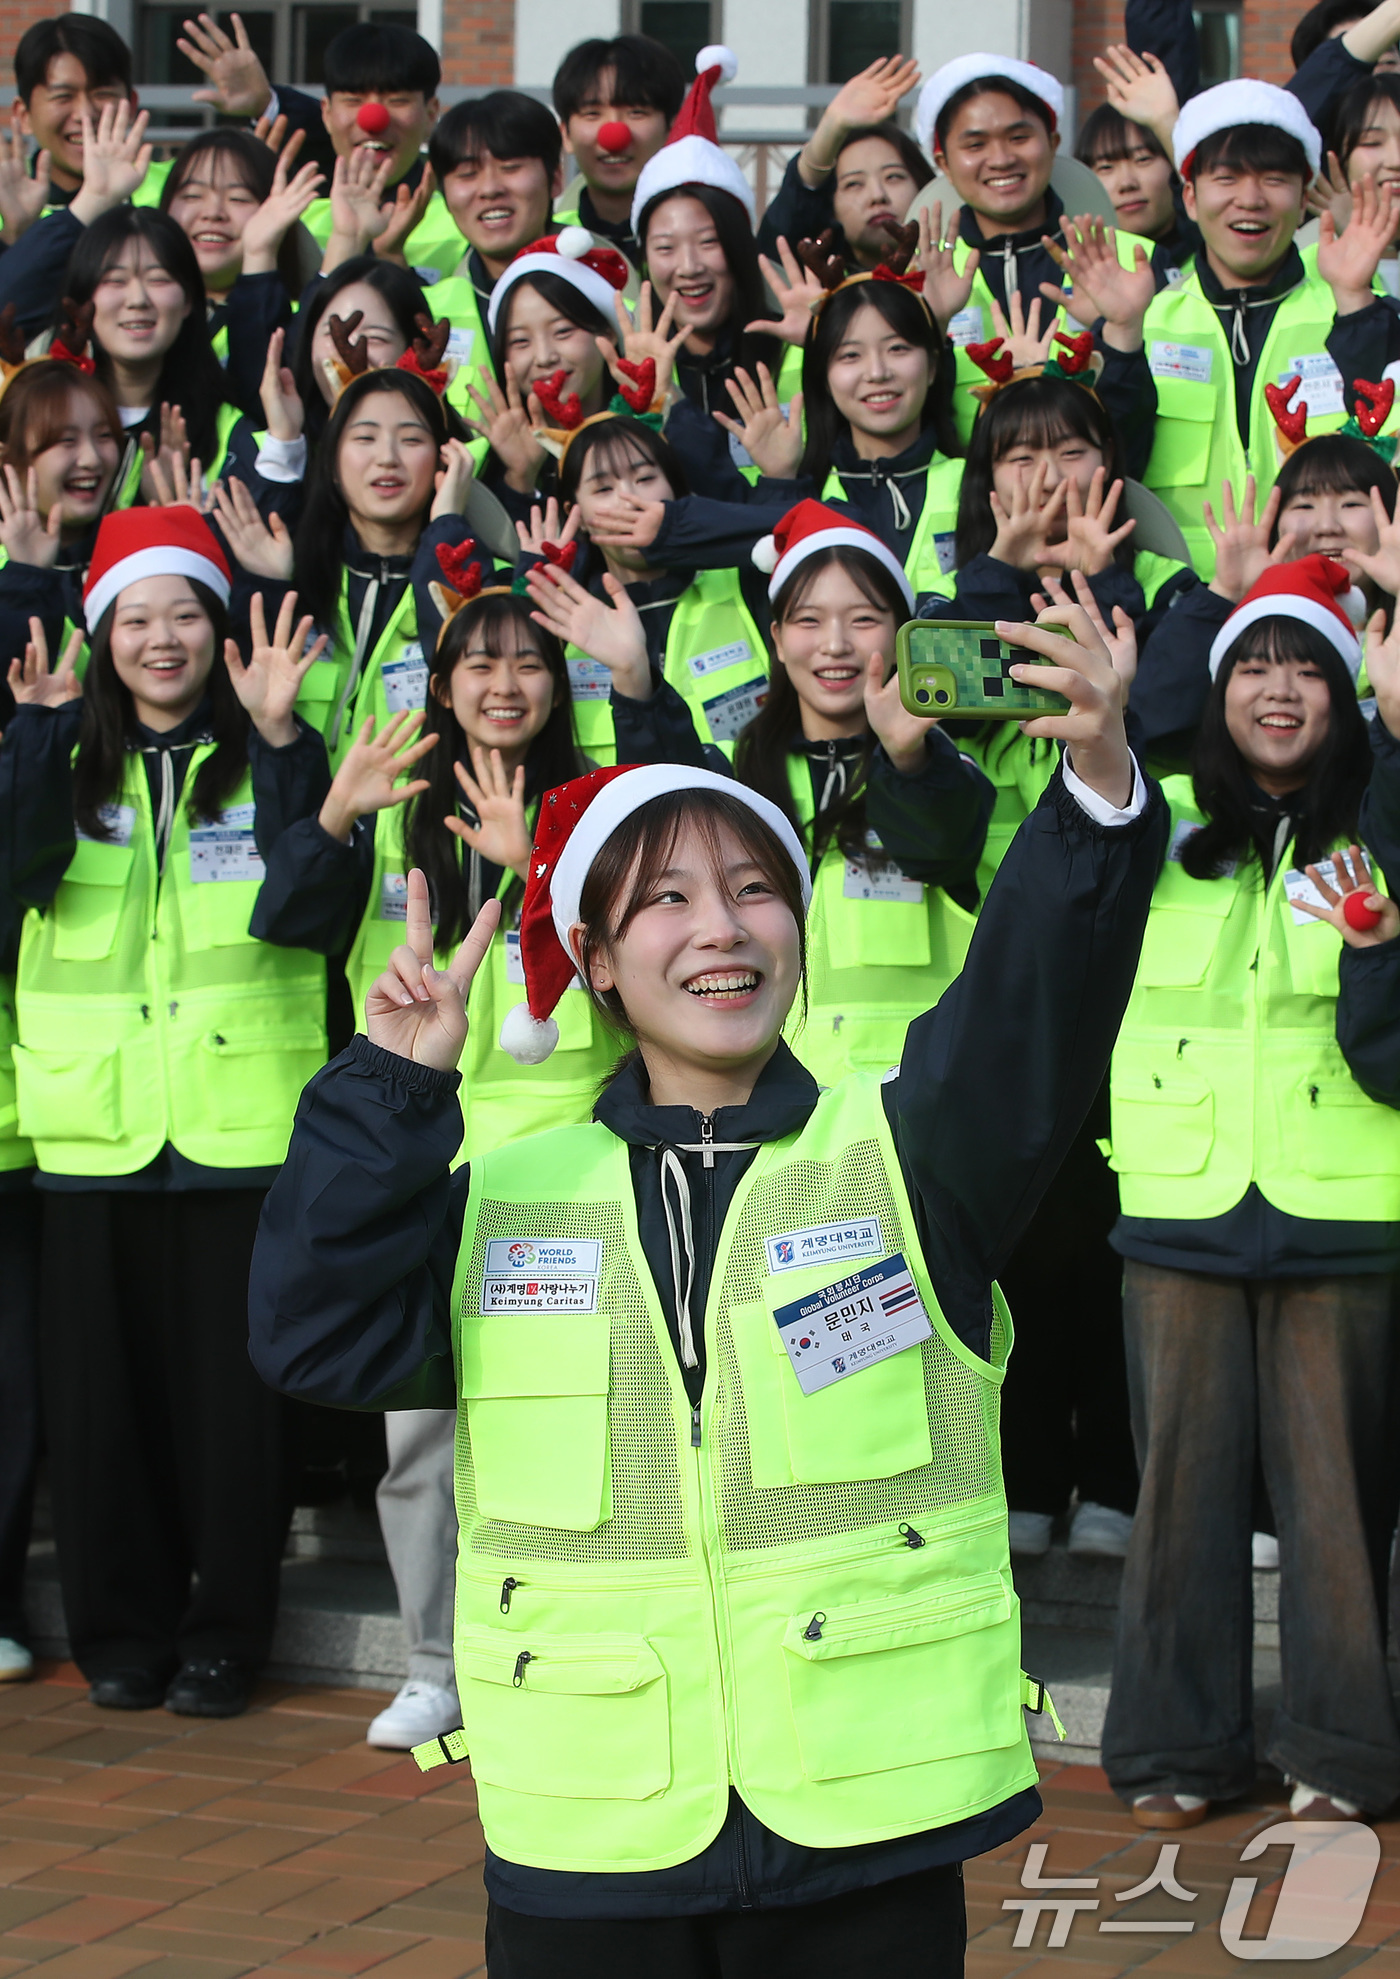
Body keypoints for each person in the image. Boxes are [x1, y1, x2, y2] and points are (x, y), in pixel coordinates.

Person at [248, 562, 1165, 1964]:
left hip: (865, 1809)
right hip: (593, 1823)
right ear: (599, 961)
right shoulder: (508, 1198)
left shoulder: (904, 1154)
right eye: (664, 900)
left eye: (755, 889)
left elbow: (1030, 1000)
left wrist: (1098, 778)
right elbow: (311, 1331)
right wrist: (388, 1084)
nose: (722, 927)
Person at [253, 579, 607, 1752]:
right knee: (421, 1440)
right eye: (479, 663)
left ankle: (566, 1640)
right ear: (442, 682)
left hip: (568, 1174)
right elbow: (291, 922)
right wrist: (334, 821)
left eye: (527, 663)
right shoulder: (394, 807)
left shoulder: (587, 811)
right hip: (431, 1177)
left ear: (557, 685)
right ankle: (430, 1661)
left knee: (580, 1424)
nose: (503, 684)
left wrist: (543, 867)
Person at [0, 507, 332, 1717]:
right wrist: (33, 741)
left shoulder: (270, 752)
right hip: (91, 1135)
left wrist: (287, 735)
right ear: (99, 634)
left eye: (185, 611)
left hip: (240, 1130)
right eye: (134, 616)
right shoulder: (55, 759)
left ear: (218, 628)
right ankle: (121, 1636)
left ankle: (223, 1636)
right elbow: (7, 879)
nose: (162, 638)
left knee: (232, 1421)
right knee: (100, 1417)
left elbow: (315, 900)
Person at [1100, 553, 1400, 1828]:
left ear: (1344, 693)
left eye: (1307, 669)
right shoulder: (1156, 818)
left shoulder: (1378, 818)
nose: (1278, 690)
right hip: (1178, 1190)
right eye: (1253, 666)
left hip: (1344, 1196)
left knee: (1336, 1493)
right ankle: (1177, 1743)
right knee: (1178, 1484)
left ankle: (1340, 1748)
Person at [538, 499, 996, 1084]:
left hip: (917, 1102)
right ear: (776, 638)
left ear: (903, 633)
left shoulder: (945, 767)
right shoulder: (736, 775)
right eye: (809, 621)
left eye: (863, 619)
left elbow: (942, 846)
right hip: (769, 1105)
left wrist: (908, 758)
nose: (835, 644)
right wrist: (636, 679)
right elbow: (661, 814)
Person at [1135, 81, 1370, 575]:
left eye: (1274, 179)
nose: (1250, 199)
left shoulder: (1359, 310)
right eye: (1226, 178)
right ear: (1192, 198)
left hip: (1327, 602)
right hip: (1179, 604)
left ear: (1304, 196)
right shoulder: (1146, 324)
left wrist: (1359, 307)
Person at [220, 358, 469, 764]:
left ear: (445, 459)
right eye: (365, 438)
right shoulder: (300, 579)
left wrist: (447, 528)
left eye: (411, 439)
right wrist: (271, 585)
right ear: (332, 463)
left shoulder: (474, 579)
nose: (387, 457)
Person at [912, 53, 1158, 446]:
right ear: (943, 161)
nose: (1001, 159)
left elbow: (1138, 435)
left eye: (1019, 137)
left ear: (1053, 142)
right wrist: (933, 330)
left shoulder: (1133, 261)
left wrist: (1118, 336)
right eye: (975, 144)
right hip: (965, 505)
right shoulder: (919, 277)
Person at [1134, 424, 1399, 761]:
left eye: (1350, 504)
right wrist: (1224, 594)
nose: (1327, 525)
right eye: (1304, 506)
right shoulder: (1242, 625)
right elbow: (1156, 724)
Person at [159, 127, 321, 418]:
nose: (213, 213)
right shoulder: (139, 306)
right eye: (192, 195)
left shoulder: (300, 322)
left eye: (239, 199)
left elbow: (263, 406)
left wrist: (259, 256)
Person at [423, 95, 566, 425]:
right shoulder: (429, 313)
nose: (489, 189)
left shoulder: (609, 294)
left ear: (556, 178)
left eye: (511, 168)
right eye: (467, 174)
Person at [0, 356, 124, 667]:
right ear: (8, 460)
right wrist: (26, 580)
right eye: (66, 440)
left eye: (104, 435)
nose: (91, 459)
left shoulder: (134, 553)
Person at [1, 14, 162, 245]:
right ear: (24, 115)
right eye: (63, 97)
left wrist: (235, 111)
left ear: (131, 105)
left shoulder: (181, 188)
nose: (85, 114)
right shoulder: (6, 203)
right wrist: (14, 236)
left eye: (103, 94)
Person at [758, 57, 927, 272]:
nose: (878, 196)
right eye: (854, 184)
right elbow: (784, 229)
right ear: (832, 208)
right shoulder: (820, 282)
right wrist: (832, 126)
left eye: (893, 177)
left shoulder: (960, 265)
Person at [551, 34, 687, 266]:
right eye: (592, 114)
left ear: (671, 129)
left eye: (636, 112)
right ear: (566, 134)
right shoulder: (544, 245)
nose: (614, 137)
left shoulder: (706, 241)